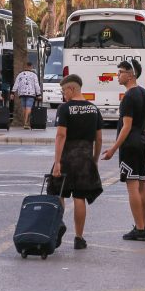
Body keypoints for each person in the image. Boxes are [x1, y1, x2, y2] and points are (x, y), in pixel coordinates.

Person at [102, 59, 145, 240]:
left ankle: (139, 228)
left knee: (132, 187)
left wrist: (113, 148)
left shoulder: (128, 97)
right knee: (142, 185)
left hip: (130, 145)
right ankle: (144, 226)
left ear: (131, 74)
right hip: (142, 142)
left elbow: (126, 126)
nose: (118, 76)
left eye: (120, 72)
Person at [50, 74, 103, 250]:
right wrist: (94, 160)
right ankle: (79, 238)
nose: (63, 95)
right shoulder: (94, 109)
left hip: (67, 156)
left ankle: (57, 225)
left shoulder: (65, 108)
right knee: (80, 197)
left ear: (72, 89)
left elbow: (61, 135)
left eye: (64, 90)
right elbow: (99, 139)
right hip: (85, 157)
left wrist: (57, 162)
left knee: (58, 193)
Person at [12, 60, 42, 129]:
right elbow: (36, 85)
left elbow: (16, 83)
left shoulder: (20, 74)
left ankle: (24, 122)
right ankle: (26, 122)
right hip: (31, 94)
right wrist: (39, 94)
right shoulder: (34, 75)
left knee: (24, 107)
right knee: (28, 107)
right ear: (31, 67)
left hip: (22, 94)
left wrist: (12, 92)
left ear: (25, 66)